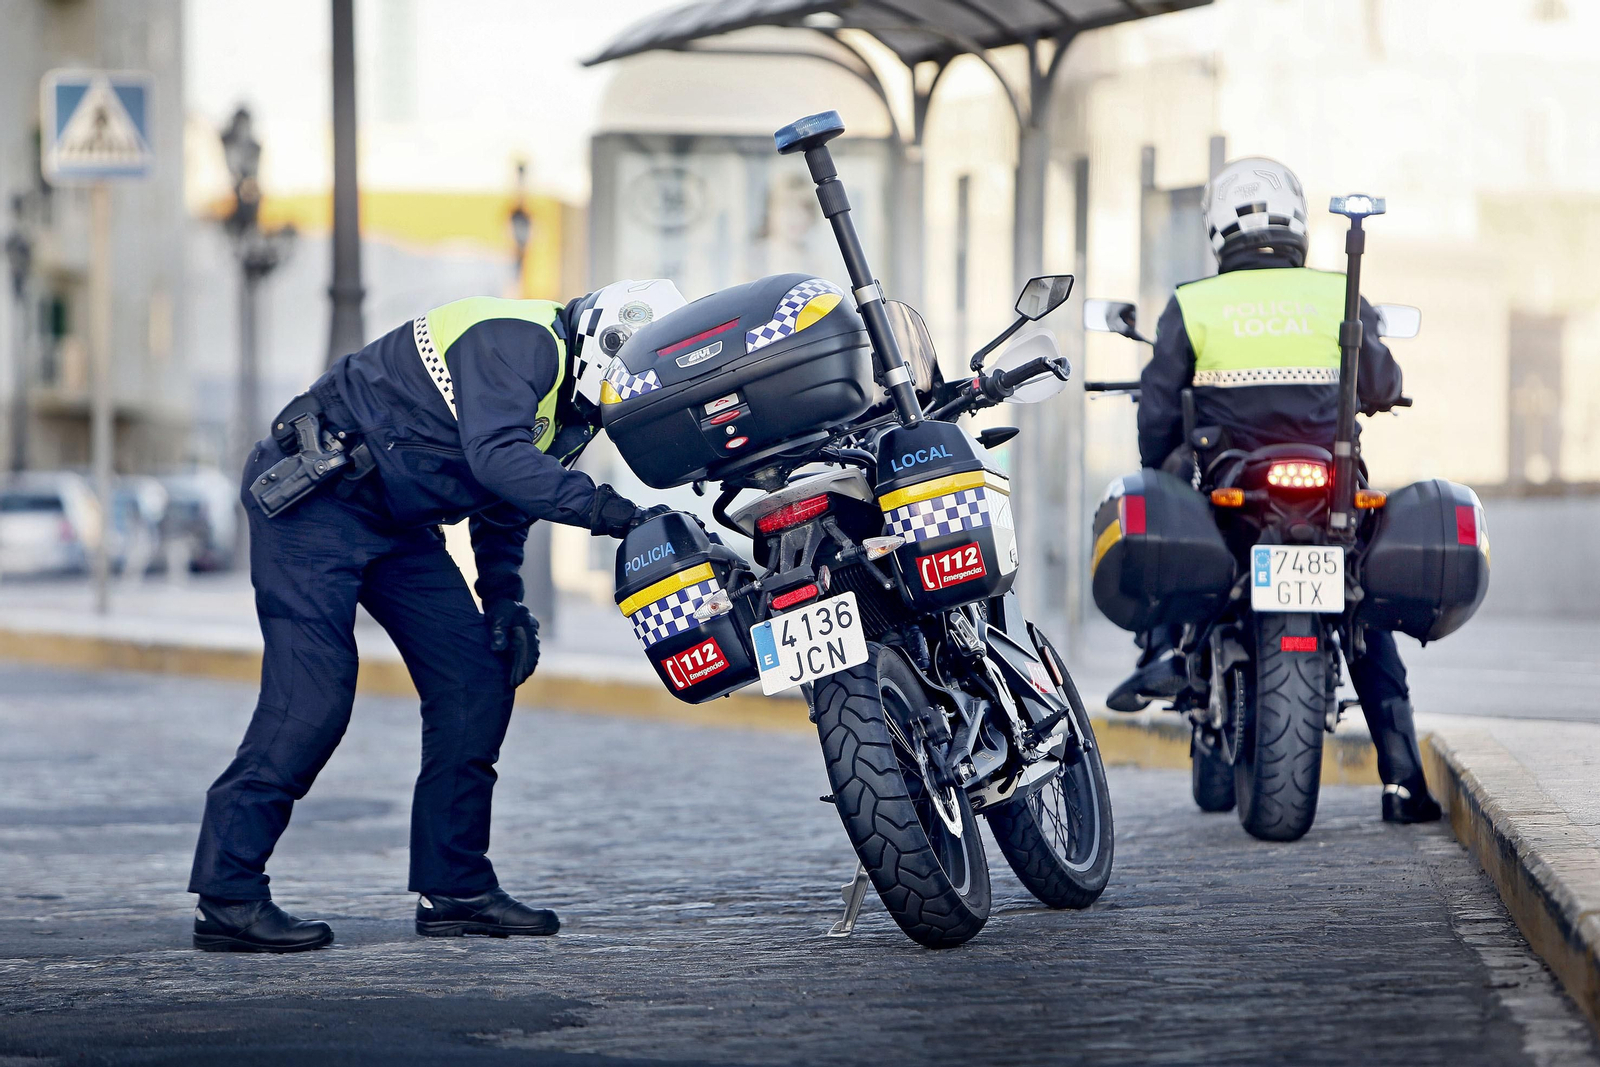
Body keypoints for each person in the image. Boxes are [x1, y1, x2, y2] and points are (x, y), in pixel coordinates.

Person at [188, 279, 687, 952]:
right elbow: (499, 460)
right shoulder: (521, 340)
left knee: (473, 681)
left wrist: (505, 601)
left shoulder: (570, 410)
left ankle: (455, 888)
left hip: (396, 521)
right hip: (313, 496)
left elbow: (504, 504)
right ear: (608, 345)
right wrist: (617, 515)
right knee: (313, 698)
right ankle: (227, 892)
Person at [1105, 158, 1440, 824]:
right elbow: (1381, 381)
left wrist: (1159, 460)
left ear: (1218, 229)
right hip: (1328, 489)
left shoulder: (1195, 302)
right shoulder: (1337, 295)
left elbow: (1157, 411)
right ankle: (1403, 778)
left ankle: (1166, 646)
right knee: (1364, 618)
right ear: (1298, 225)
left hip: (1233, 487)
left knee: (1165, 508)